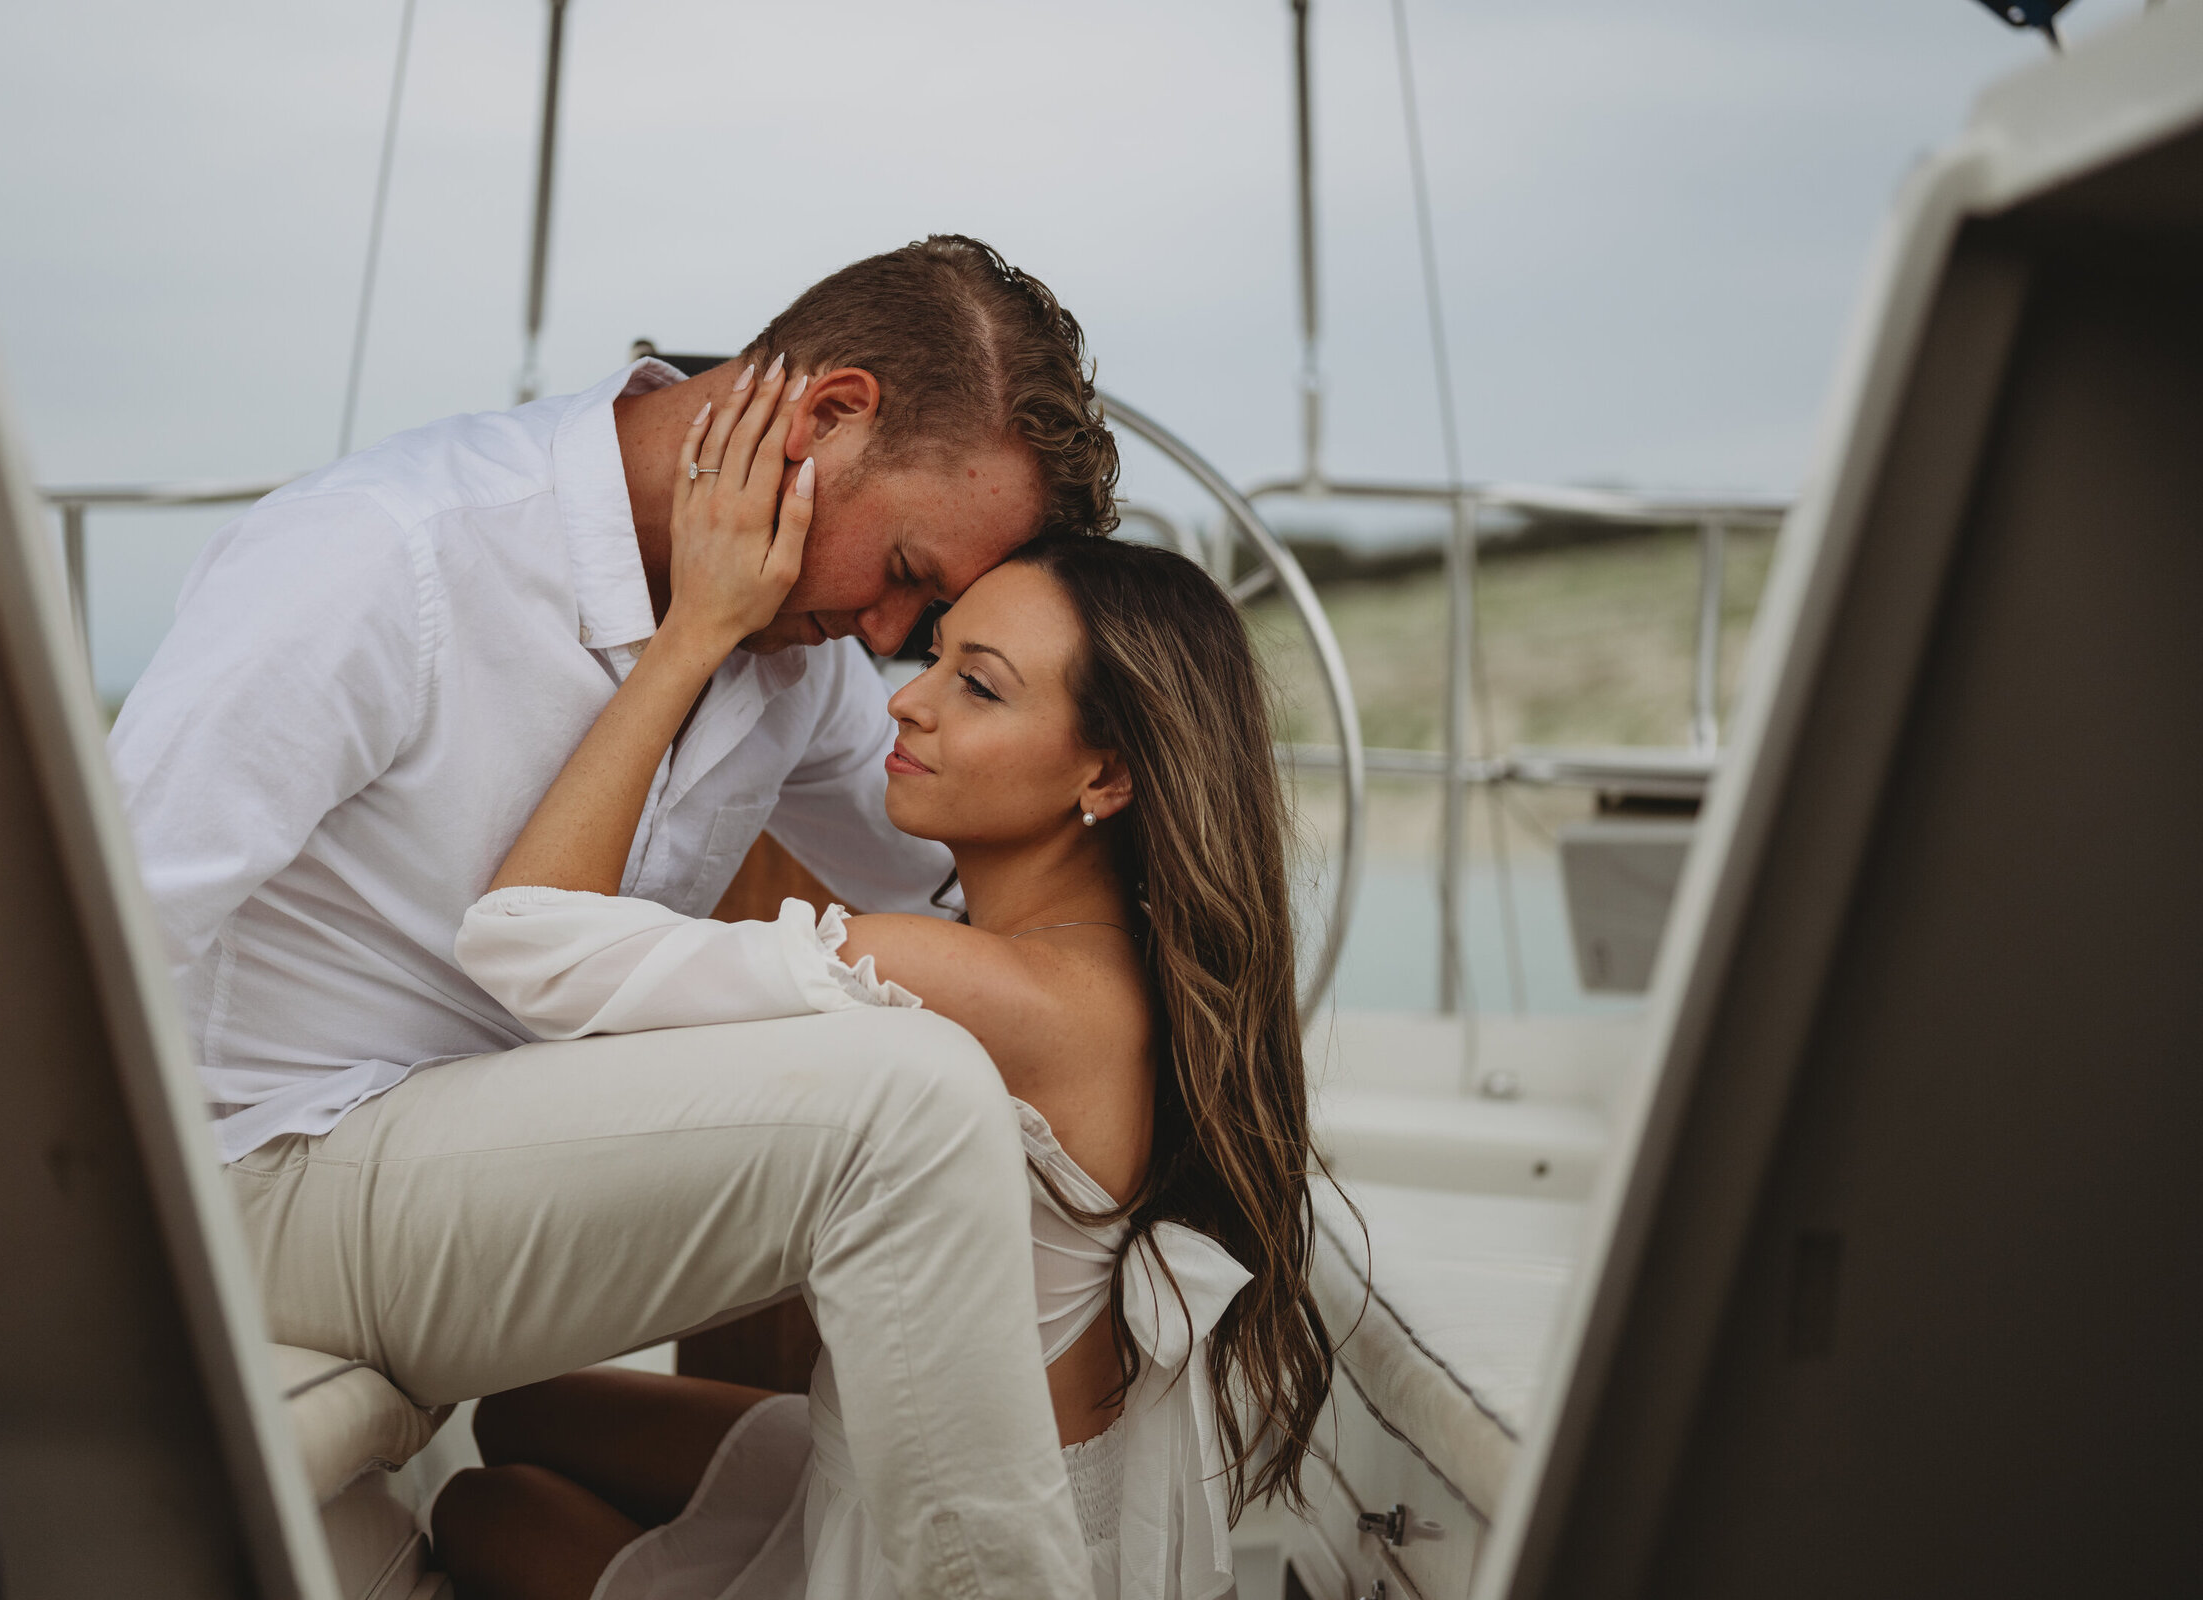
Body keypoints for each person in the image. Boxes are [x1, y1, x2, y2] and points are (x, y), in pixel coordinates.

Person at [109, 237, 1120, 1600]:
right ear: (824, 418)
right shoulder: (388, 555)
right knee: (904, 1104)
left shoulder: (796, 657)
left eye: (926, 613)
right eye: (903, 568)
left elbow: (966, 873)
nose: (885, 630)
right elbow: (100, 939)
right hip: (255, 1172)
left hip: (460, 1186)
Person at [425, 382, 1335, 1600]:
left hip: (936, 1537)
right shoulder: (1128, 964)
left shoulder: (965, 979)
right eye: (937, 649)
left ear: (1106, 774)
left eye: (981, 685)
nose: (904, 693)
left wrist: (696, 630)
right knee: (523, 1416)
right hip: (1041, 1479)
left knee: (491, 1508)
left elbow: (526, 941)